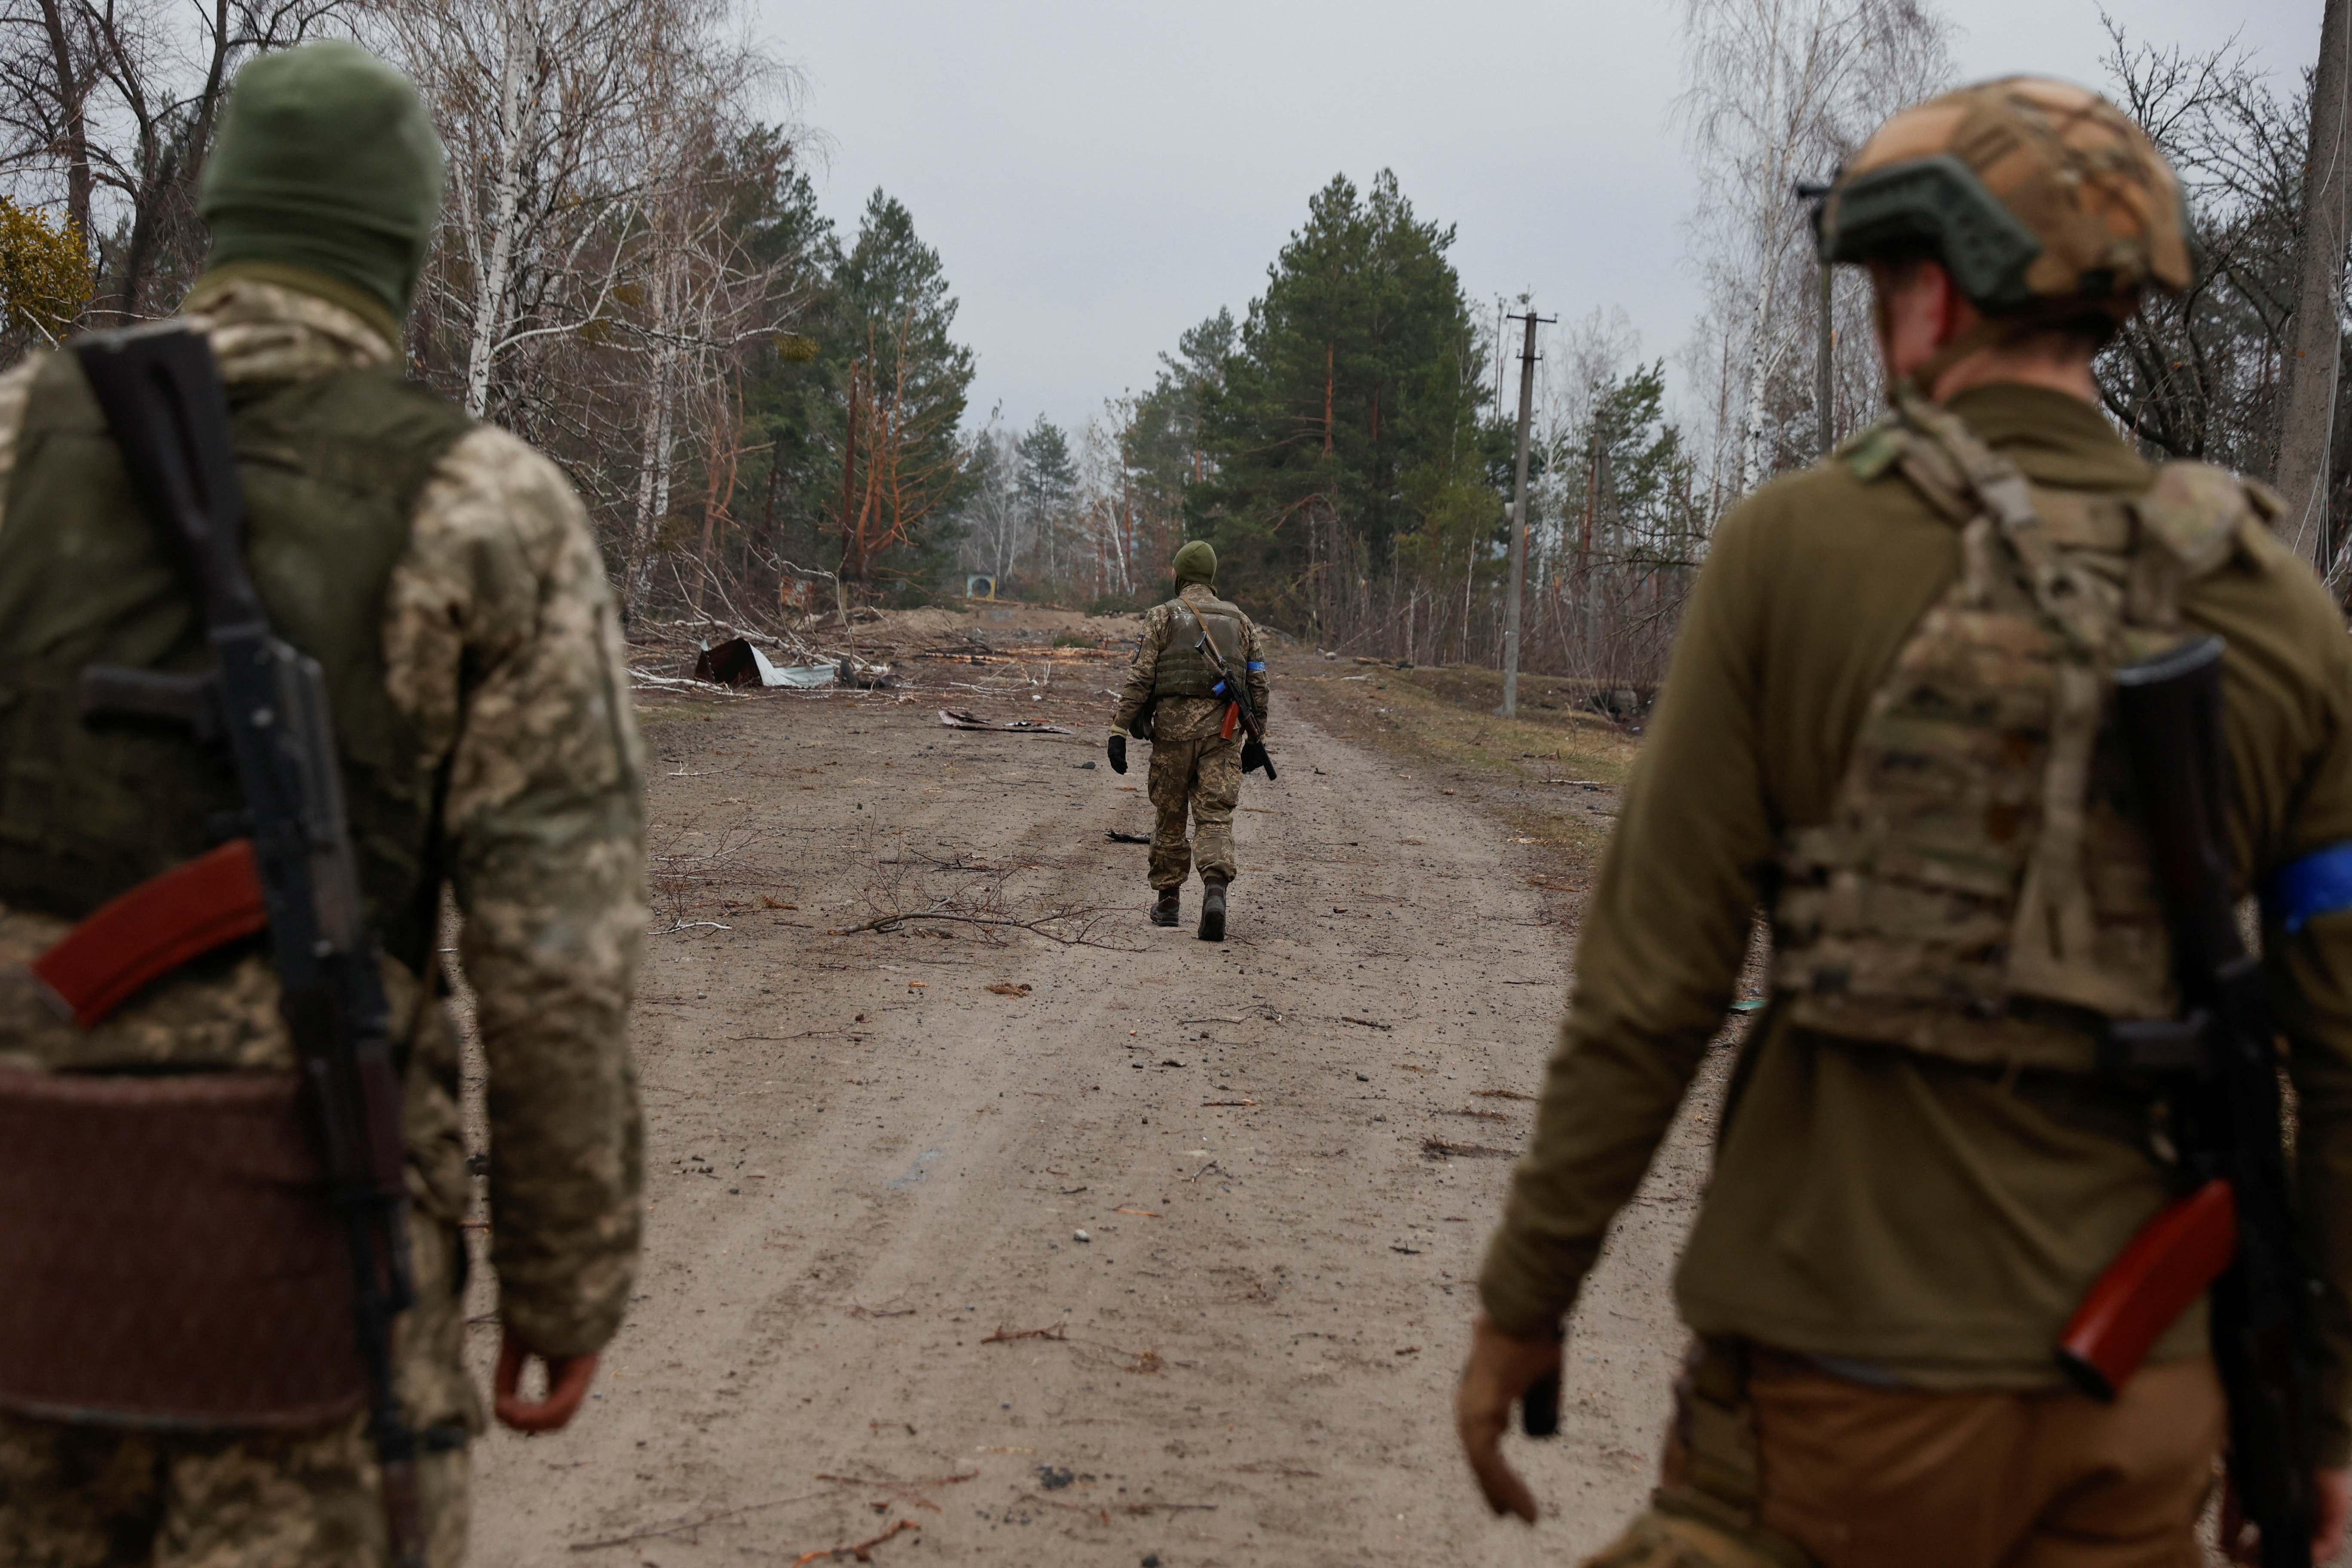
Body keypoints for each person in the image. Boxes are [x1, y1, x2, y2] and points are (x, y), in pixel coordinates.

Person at [1455, 76, 2352, 1568]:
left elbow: (1649, 989)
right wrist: (2323, 1421)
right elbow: (2341, 1059)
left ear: (1932, 293)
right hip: (2146, 1400)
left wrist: (1525, 1294)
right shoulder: (2279, 609)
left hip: (1840, 1374)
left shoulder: (1794, 550)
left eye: (1879, 284)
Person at [0, 41, 646, 1567]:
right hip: (300, 1256)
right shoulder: (487, 507)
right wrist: (564, 1280)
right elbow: (556, 958)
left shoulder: (14, 440)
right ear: (404, 248)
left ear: (225, 215)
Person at [1109, 540, 1270, 943]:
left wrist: (1119, 729)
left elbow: (1141, 677)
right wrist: (1256, 736)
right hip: (1223, 736)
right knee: (1214, 817)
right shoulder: (1242, 621)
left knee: (1170, 816)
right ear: (1212, 578)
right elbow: (1258, 683)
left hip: (1173, 736)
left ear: (1179, 575)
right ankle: (1214, 894)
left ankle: (1168, 903)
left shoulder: (1162, 615)